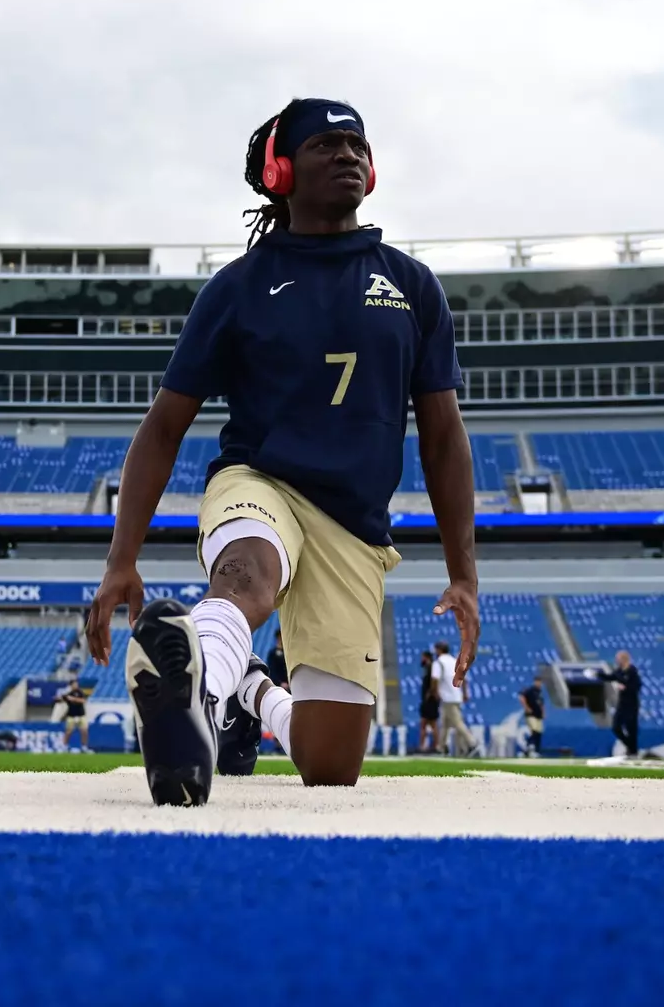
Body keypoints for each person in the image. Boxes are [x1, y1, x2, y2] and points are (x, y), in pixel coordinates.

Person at [84, 97, 480, 805]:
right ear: (279, 170)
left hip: (355, 524)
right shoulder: (237, 288)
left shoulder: (413, 286)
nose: (348, 157)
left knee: (331, 769)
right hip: (260, 482)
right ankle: (194, 702)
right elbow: (163, 428)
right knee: (247, 580)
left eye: (357, 147)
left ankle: (251, 690)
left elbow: (445, 438)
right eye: (326, 146)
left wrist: (464, 574)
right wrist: (121, 559)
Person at [432, 641, 479, 757]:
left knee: (457, 723)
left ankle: (471, 743)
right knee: (445, 723)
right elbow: (464, 679)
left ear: (439, 650)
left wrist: (435, 692)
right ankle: (441, 747)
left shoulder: (439, 663)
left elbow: (435, 679)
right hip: (456, 696)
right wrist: (465, 693)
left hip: (447, 697)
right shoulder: (454, 661)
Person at [600, 651, 641, 757]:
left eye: (618, 658)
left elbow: (637, 686)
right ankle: (630, 746)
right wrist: (597, 674)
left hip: (632, 704)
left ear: (624, 659)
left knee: (631, 728)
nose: (616, 661)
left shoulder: (632, 671)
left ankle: (633, 751)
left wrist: (626, 687)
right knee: (616, 727)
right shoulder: (619, 671)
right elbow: (611, 677)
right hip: (622, 703)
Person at [416, 650, 439, 753]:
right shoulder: (428, 669)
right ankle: (432, 745)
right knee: (427, 724)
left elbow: (434, 683)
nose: (422, 660)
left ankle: (432, 745)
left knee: (428, 724)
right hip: (429, 701)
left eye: (423, 657)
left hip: (429, 701)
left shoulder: (431, 669)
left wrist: (429, 694)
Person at [58, 679, 90, 753]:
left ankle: (84, 747)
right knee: (68, 731)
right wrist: (61, 697)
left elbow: (83, 701)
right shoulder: (68, 693)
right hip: (71, 715)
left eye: (76, 684)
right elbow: (59, 699)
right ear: (71, 685)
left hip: (81, 715)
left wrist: (73, 699)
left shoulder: (80, 692)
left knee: (84, 731)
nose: (76, 685)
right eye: (74, 684)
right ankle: (64, 746)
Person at [518, 675, 546, 758]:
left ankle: (536, 750)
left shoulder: (539, 692)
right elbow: (521, 697)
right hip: (531, 714)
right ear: (535, 682)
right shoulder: (530, 690)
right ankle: (527, 749)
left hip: (538, 715)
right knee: (534, 731)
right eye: (537, 682)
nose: (539, 683)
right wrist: (526, 707)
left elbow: (541, 704)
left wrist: (543, 712)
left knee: (539, 733)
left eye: (540, 682)